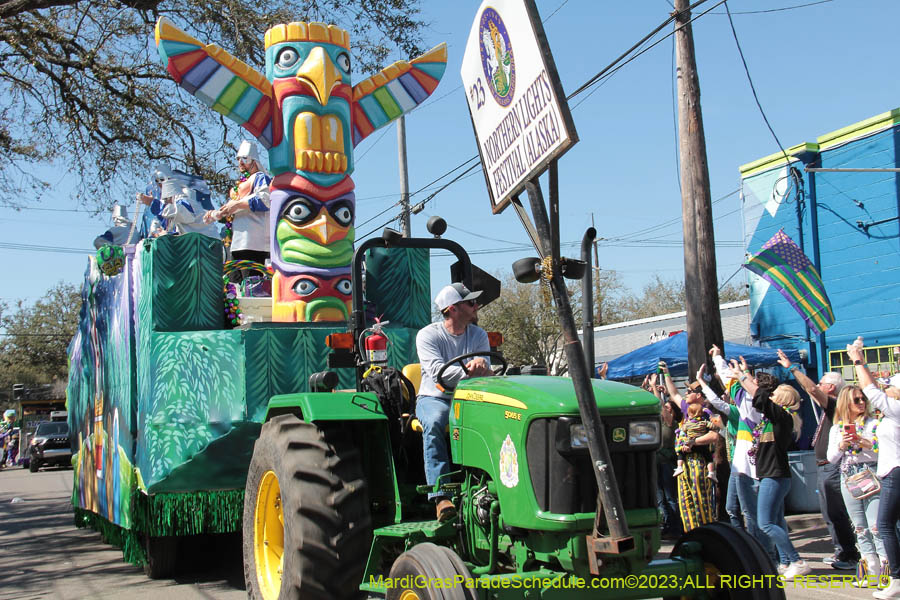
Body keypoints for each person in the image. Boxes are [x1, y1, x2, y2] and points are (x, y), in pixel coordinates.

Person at [416, 283, 492, 521]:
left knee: (497, 421)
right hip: (434, 397)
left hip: (469, 396)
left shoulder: (478, 335)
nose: (476, 306)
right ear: (453, 309)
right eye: (470, 303)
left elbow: (486, 367)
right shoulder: (428, 335)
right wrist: (472, 369)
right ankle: (441, 496)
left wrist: (481, 369)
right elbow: (438, 372)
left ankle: (489, 485)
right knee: (436, 421)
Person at [778, 349, 860, 570]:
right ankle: (840, 551)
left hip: (832, 466)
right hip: (824, 465)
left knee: (836, 512)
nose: (819, 385)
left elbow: (811, 388)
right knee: (829, 513)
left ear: (831, 387)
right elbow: (813, 390)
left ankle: (849, 555)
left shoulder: (835, 405)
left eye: (823, 383)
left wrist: (792, 368)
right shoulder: (828, 407)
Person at [735, 366, 810, 580]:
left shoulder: (783, 418)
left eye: (774, 397)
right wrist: (744, 375)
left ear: (781, 402)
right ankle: (785, 562)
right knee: (776, 522)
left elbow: (759, 397)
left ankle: (796, 560)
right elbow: (759, 397)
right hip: (771, 474)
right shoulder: (773, 420)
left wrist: (742, 377)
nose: (770, 398)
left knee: (765, 523)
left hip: (775, 476)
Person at [697, 353, 773, 560]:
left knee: (754, 516)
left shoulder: (747, 407)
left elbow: (730, 382)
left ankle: (763, 555)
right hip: (749, 467)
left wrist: (718, 359)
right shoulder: (766, 408)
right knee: (753, 514)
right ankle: (764, 554)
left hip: (748, 469)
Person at [847, 341, 900, 599]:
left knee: (884, 525)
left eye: (891, 386)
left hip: (895, 472)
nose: (886, 387)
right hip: (891, 471)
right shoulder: (890, 414)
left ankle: (897, 578)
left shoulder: (897, 410)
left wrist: (857, 360)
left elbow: (870, 389)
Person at [826, 384, 887, 587]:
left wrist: (865, 443)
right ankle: (871, 568)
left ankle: (886, 568)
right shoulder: (838, 428)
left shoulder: (874, 424)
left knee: (876, 526)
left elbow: (883, 451)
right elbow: (831, 458)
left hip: (871, 473)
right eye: (857, 400)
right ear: (846, 404)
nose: (862, 403)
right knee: (859, 527)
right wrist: (842, 445)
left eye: (863, 399)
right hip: (849, 476)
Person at [660, 362, 718, 531]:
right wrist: (667, 374)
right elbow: (673, 393)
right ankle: (690, 533)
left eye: (690, 391)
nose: (686, 393)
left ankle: (705, 533)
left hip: (699, 461)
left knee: (701, 502)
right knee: (685, 501)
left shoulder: (706, 412)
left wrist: (693, 442)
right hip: (683, 464)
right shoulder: (686, 410)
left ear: (699, 396)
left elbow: (715, 434)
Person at [206, 140, 271, 276]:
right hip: (236, 244)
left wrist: (237, 204)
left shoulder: (260, 178)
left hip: (254, 244)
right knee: (234, 286)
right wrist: (216, 214)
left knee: (253, 287)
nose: (240, 162)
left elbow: (266, 200)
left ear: (254, 161)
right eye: (238, 159)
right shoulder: (239, 186)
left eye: (245, 159)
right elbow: (231, 209)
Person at [673, 402, 718, 483]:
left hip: (690, 445)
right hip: (702, 446)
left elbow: (682, 431)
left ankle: (679, 467)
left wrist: (685, 442)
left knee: (681, 454)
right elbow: (714, 426)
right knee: (709, 458)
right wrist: (714, 421)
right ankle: (711, 473)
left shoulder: (688, 423)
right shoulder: (704, 421)